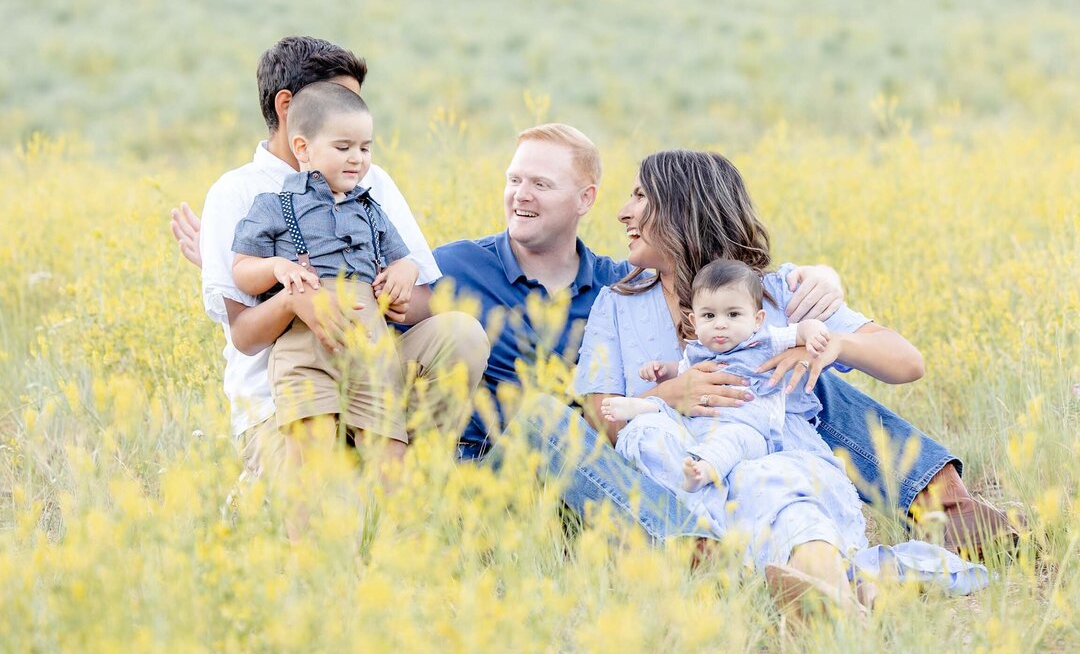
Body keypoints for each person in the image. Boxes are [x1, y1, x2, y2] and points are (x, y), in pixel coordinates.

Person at [174, 113, 1016, 556]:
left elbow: (728, 318)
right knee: (544, 419)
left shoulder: (625, 284)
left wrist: (818, 299)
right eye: (511, 181)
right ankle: (696, 551)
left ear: (587, 195)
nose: (518, 195)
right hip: (503, 458)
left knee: (812, 377)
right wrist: (240, 264)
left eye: (540, 183)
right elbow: (359, 297)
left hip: (620, 460)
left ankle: (946, 503)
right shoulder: (455, 268)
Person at [573, 150, 989, 613]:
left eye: (640, 196)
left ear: (681, 206)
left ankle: (834, 601)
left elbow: (907, 362)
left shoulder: (778, 292)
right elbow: (599, 417)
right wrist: (667, 395)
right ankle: (854, 590)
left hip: (778, 465)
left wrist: (836, 345)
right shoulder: (617, 304)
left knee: (787, 490)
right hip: (686, 482)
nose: (623, 211)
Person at [172, 36, 489, 484]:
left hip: (370, 363)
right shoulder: (239, 192)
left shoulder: (370, 179)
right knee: (328, 524)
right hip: (281, 398)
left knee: (462, 335)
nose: (358, 150)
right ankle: (278, 489)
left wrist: (389, 287)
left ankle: (406, 478)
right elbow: (244, 334)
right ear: (289, 108)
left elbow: (422, 302)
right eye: (341, 103)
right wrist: (292, 298)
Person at [231, 82, 419, 500]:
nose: (357, 158)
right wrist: (277, 267)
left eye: (366, 148)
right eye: (344, 146)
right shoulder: (273, 205)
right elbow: (242, 270)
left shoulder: (370, 209)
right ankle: (306, 555)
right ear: (303, 147)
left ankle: (394, 547)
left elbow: (403, 258)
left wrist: (404, 270)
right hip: (305, 348)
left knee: (390, 451)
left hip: (370, 349)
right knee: (308, 459)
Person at [602, 259, 835, 499]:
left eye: (733, 314)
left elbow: (798, 331)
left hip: (750, 427)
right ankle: (640, 407)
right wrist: (663, 370)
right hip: (700, 421)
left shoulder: (763, 340)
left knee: (733, 440)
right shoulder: (697, 350)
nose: (720, 324)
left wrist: (813, 331)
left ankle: (704, 470)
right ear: (694, 321)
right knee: (666, 409)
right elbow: (683, 371)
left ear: (757, 319)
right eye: (709, 316)